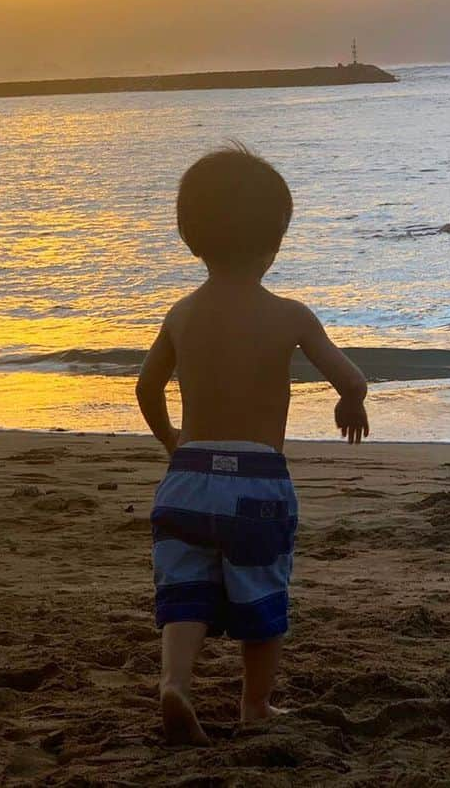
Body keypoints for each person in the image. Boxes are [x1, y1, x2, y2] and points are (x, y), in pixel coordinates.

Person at [136, 146, 369, 746]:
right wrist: (350, 404)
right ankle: (255, 705)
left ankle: (175, 685)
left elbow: (147, 387)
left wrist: (173, 446)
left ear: (192, 240)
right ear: (275, 242)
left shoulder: (180, 314)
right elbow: (350, 377)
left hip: (186, 479)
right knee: (262, 589)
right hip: (257, 480)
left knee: (184, 590)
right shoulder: (290, 315)